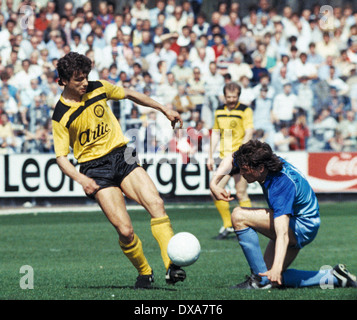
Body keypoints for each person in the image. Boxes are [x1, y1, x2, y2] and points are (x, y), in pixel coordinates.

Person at [51, 52, 186, 289]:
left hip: (122, 153)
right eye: (78, 80)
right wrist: (82, 179)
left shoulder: (99, 88)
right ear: (62, 81)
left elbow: (131, 94)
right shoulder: (60, 116)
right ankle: (144, 272)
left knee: (156, 204)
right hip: (94, 168)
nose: (84, 83)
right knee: (125, 231)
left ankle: (171, 265)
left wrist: (164, 109)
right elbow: (61, 158)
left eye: (85, 77)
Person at [210, 139, 357, 289]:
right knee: (269, 276)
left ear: (260, 168)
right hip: (302, 221)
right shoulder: (264, 161)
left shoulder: (280, 184)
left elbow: (283, 233)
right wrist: (214, 183)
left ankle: (257, 281)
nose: (241, 173)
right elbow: (230, 158)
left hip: (301, 226)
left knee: (238, 215)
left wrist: (277, 267)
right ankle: (334, 277)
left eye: (245, 169)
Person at [207, 82, 254, 240]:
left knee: (241, 192)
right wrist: (209, 155)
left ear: (238, 96)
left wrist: (241, 152)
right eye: (229, 97)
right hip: (224, 157)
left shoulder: (245, 110)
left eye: (234, 97)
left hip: (240, 157)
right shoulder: (219, 110)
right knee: (215, 190)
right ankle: (228, 225)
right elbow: (215, 133)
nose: (232, 100)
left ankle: (247, 227)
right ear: (224, 96)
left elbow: (249, 132)